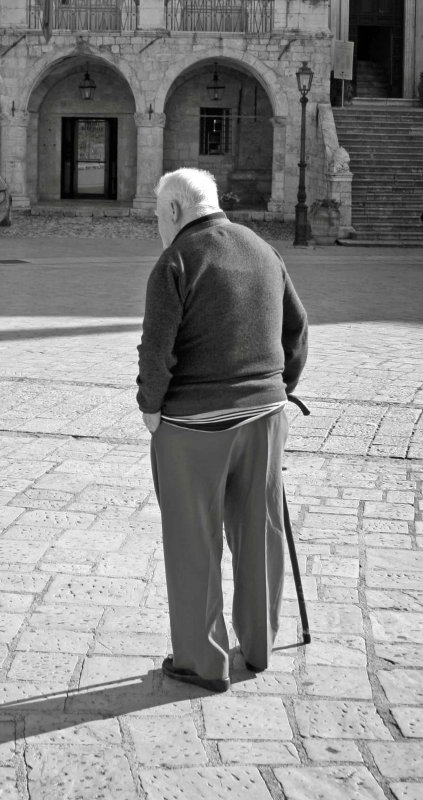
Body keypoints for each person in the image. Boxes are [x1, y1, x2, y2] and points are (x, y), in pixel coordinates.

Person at [137, 168, 308, 693]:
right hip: (265, 413)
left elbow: (157, 348)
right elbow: (296, 328)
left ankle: (202, 663)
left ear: (174, 210)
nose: (158, 228)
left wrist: (150, 407)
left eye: (157, 217)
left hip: (193, 423)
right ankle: (257, 648)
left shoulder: (177, 260)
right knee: (260, 530)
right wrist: (280, 386)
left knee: (194, 540)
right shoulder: (262, 248)